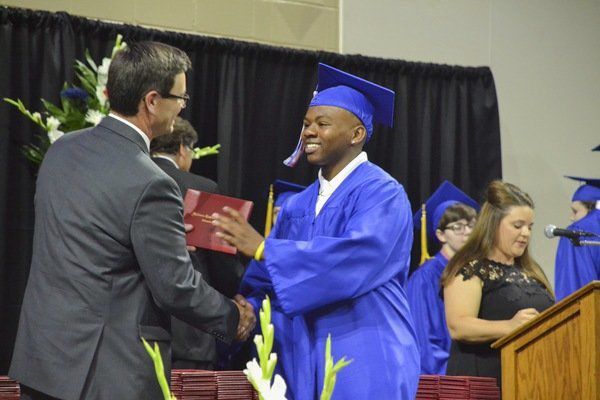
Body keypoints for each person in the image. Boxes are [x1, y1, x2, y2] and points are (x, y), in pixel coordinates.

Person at [9, 41, 255, 400]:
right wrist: (232, 320)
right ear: (152, 101)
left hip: (42, 361)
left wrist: (159, 244)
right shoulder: (152, 181)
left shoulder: (61, 150)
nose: (182, 108)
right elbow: (176, 288)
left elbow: (91, 244)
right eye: (180, 99)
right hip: (104, 374)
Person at [214, 63, 420, 399]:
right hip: (302, 355)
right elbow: (266, 281)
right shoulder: (297, 205)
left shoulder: (382, 193)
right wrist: (245, 308)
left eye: (322, 124)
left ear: (356, 134)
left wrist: (266, 249)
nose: (309, 132)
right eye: (307, 124)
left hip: (364, 351)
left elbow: (355, 257)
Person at [151, 116, 245, 370]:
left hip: (138, 332)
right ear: (183, 148)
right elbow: (223, 263)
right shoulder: (203, 190)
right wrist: (237, 296)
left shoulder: (130, 179)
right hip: (191, 333)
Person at [441, 180, 554, 387]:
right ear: (493, 223)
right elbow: (458, 326)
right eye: (517, 226)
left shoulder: (531, 271)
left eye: (530, 227)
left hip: (532, 381)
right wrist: (509, 326)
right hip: (486, 382)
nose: (526, 233)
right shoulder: (470, 268)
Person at [406, 180, 479, 375]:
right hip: (444, 377)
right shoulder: (425, 277)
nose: (467, 232)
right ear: (440, 235)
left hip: (473, 372)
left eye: (472, 226)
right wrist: (449, 376)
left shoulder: (477, 272)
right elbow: (423, 339)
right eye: (458, 227)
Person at [554, 176, 600, 301]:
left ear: (591, 209)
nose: (572, 218)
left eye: (575, 211)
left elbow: (571, 290)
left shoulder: (575, 234)